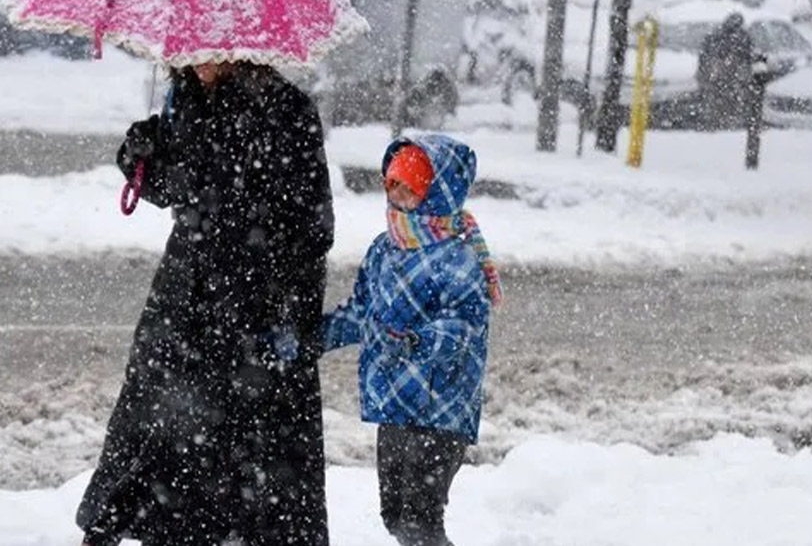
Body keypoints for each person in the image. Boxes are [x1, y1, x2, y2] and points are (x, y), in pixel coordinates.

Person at [77, 61, 335, 546]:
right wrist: (139, 156)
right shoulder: (185, 100)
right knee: (164, 428)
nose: (201, 60)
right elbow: (174, 189)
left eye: (215, 49)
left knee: (252, 464)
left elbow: (313, 227)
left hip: (255, 304)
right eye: (193, 51)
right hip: (185, 295)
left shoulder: (287, 109)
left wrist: (288, 313)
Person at [320, 135, 501, 546]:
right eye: (392, 184)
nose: (396, 194)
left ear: (436, 192)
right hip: (395, 404)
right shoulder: (384, 249)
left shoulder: (458, 258)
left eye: (409, 185)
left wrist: (417, 343)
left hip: (441, 409)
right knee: (396, 517)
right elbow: (362, 312)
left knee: (421, 521)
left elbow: (464, 327)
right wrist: (315, 337)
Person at [695, 11, 756, 130]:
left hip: (720, 76)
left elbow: (704, 57)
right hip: (727, 77)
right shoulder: (740, 37)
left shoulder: (716, 36)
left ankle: (717, 123)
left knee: (718, 100)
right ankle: (724, 122)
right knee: (727, 100)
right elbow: (748, 58)